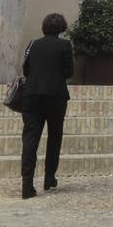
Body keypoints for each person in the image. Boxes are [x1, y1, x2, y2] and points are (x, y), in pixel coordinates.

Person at [19, 12, 75, 199]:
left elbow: (26, 70)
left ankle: (27, 184)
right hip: (56, 96)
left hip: (32, 95)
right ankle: (49, 177)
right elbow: (69, 72)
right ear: (61, 27)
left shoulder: (33, 44)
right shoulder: (65, 45)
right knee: (54, 136)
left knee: (30, 139)